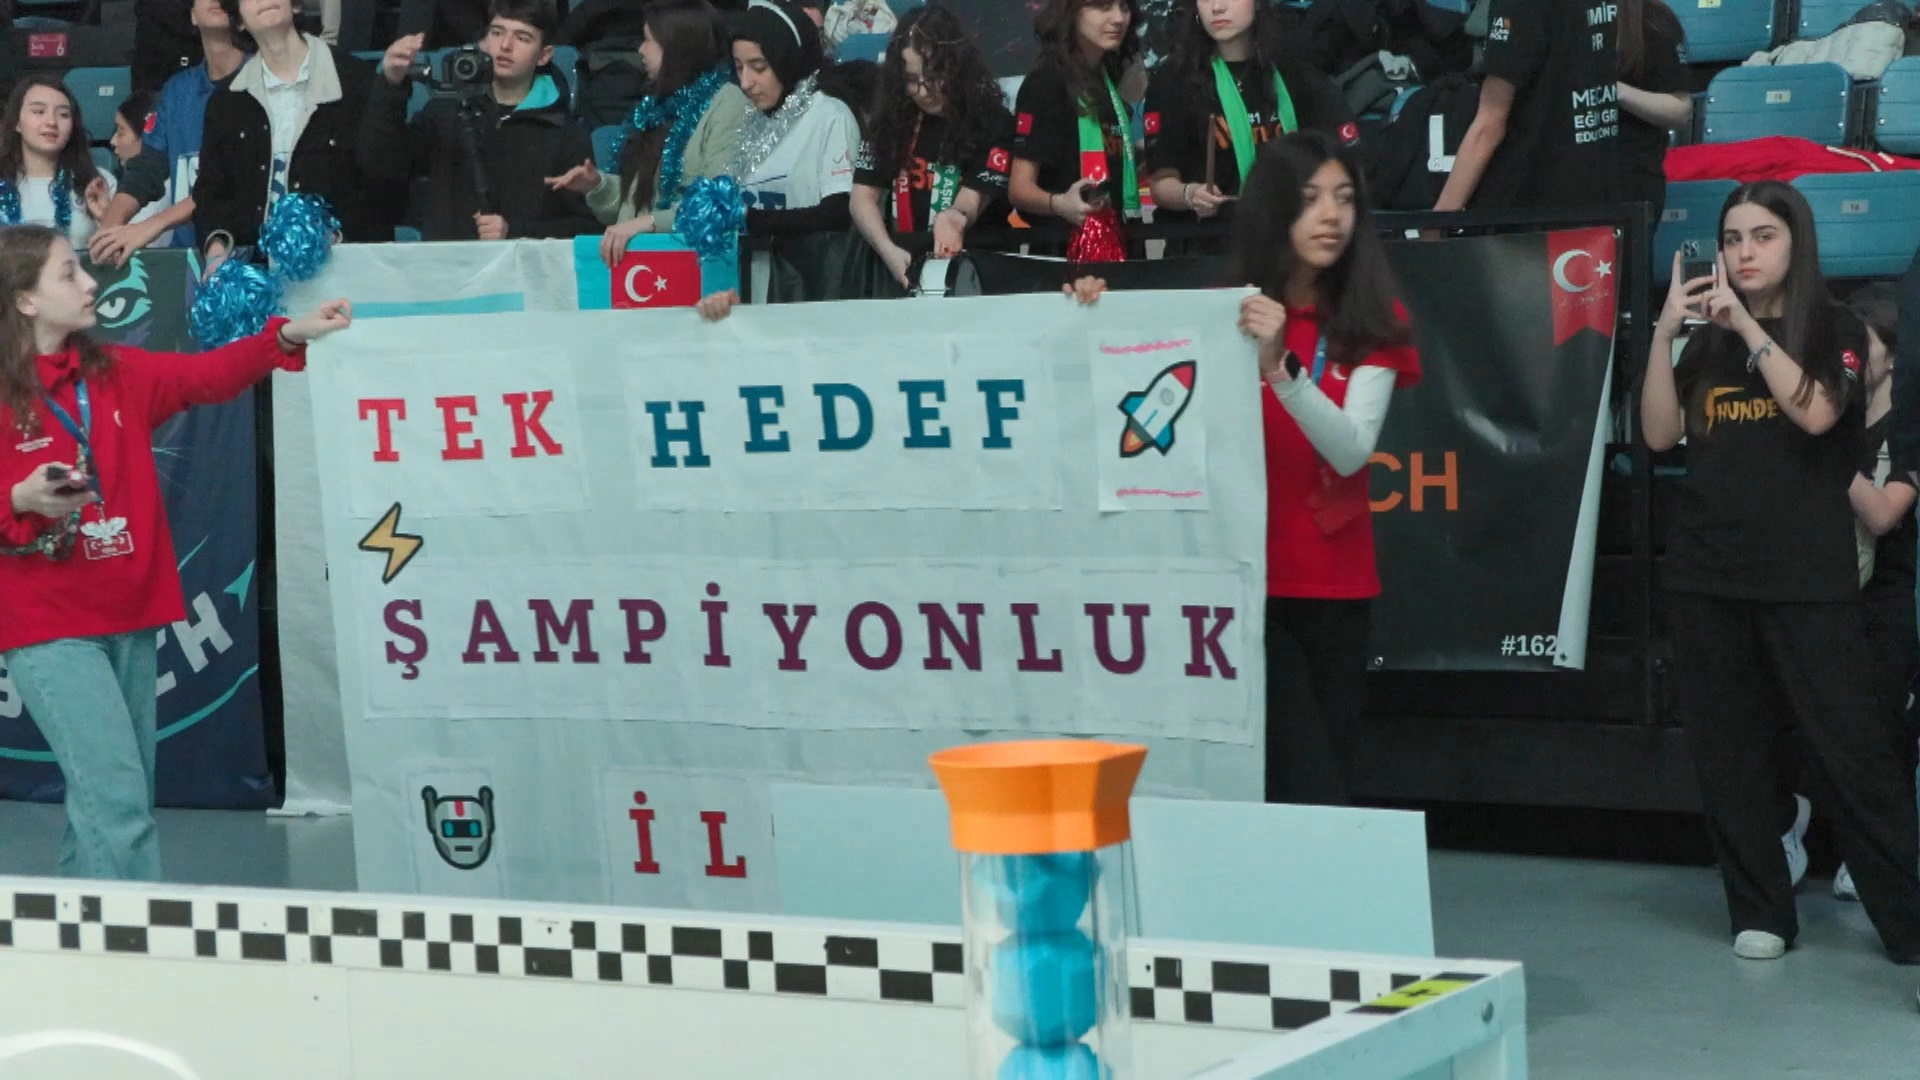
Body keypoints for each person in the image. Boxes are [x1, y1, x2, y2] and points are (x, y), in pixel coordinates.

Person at [1066, 131, 1420, 805]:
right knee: (1272, 781)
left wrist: (1279, 368)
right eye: (1310, 198)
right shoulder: (1220, 311)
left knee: (1323, 785)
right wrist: (1089, 307)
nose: (1331, 216)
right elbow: (1125, 382)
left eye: (1345, 198)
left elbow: (1351, 449)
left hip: (1335, 588)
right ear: (1273, 208)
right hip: (1235, 584)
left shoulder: (1372, 317)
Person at [0, 224, 351, 881]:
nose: (89, 282)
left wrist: (285, 338)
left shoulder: (112, 373)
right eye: (69, 273)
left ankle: (74, 932)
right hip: (50, 625)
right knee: (118, 801)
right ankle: (132, 937)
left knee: (106, 800)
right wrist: (18, 496)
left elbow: (203, 376)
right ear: (24, 300)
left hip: (128, 615)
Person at [1640, 181, 1920, 966]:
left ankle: (1908, 922)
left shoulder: (1835, 327)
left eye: (1762, 236)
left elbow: (1818, 412)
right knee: (1729, 754)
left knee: (1854, 756)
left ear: (1795, 243)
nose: (1744, 253)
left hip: (1805, 577)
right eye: (1732, 238)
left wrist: (1747, 330)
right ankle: (1760, 908)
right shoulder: (1705, 340)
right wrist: (1665, 333)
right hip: (1708, 571)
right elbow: (1660, 434)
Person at [369, 0, 600, 243]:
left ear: (544, 55)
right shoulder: (445, 112)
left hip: (523, 266)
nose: (505, 45)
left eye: (522, 38)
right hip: (443, 263)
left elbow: (586, 229)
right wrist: (390, 85)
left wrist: (515, 232)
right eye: (497, 32)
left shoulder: (566, 133)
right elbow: (382, 164)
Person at [545, 0, 750, 268]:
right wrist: (598, 185)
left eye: (648, 40)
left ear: (677, 47)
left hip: (694, 267)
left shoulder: (727, 103)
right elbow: (632, 208)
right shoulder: (653, 108)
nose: (640, 49)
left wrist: (650, 223)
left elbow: (719, 203)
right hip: (639, 267)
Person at [194, 0, 384, 265]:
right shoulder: (226, 102)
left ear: (295, 5)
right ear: (239, 21)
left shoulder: (356, 80)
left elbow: (381, 183)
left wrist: (336, 237)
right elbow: (211, 195)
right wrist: (217, 251)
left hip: (345, 266)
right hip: (259, 273)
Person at [1143, 0, 1358, 229]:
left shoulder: (1296, 75)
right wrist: (1189, 194)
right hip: (1211, 237)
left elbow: (1339, 161)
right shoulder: (1174, 81)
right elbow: (1161, 182)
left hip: (1288, 234)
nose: (1217, 7)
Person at [850, 3, 1014, 289]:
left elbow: (973, 200)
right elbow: (862, 198)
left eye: (934, 75)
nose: (925, 91)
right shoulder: (890, 118)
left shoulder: (992, 120)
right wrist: (888, 250)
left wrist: (953, 217)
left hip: (972, 269)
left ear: (956, 67)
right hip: (900, 263)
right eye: (912, 80)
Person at [93, 0, 252, 266]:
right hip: (187, 260)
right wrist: (109, 230)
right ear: (192, 16)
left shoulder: (263, 82)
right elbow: (145, 171)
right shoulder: (177, 90)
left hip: (251, 259)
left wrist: (150, 226)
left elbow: (233, 183)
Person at [1433, 0, 1620, 212]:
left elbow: (1489, 125)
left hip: (1529, 202)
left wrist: (1439, 220)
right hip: (1598, 190)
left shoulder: (1519, 5)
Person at [1007, 0, 1141, 237]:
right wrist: (1059, 204)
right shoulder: (1045, 83)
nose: (1118, 18)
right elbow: (1019, 189)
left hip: (1122, 241)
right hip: (1065, 246)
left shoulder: (1107, 76)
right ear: (1070, 12)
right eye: (1103, 6)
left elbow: (1108, 161)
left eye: (1124, 6)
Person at [729, 0, 860, 238]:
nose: (745, 83)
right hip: (756, 260)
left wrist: (750, 219)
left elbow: (839, 214)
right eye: (739, 67)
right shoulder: (752, 120)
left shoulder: (830, 115)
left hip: (811, 260)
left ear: (787, 60)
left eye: (759, 67)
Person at [0, 76, 116, 250]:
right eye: (39, 111)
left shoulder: (99, 183)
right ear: (17, 123)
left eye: (63, 114)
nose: (52, 122)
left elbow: (124, 256)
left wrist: (106, 217)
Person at [1614, 0, 1690, 229]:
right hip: (1566, 174)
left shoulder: (1653, 18)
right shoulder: (1556, 15)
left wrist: (1617, 91)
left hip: (1632, 177)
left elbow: (1680, 109)